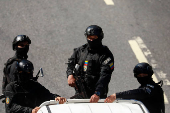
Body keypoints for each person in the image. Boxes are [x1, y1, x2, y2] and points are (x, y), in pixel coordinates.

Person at [66, 25, 114, 103]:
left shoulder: (105, 55)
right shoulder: (80, 51)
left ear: (100, 37)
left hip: (97, 96)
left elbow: (105, 76)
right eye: (89, 37)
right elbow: (70, 64)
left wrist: (97, 93)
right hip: (80, 92)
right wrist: (70, 75)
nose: (91, 40)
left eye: (94, 38)